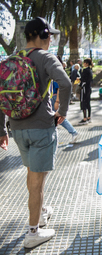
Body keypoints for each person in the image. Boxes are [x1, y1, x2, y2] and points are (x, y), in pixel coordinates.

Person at [0, 17, 71, 248]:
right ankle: (33, 232)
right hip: (41, 127)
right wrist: (62, 111)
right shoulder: (46, 57)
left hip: (18, 128)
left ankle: (39, 214)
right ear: (43, 36)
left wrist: (2, 129)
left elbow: (3, 95)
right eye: (49, 36)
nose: (50, 40)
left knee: (34, 176)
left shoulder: (11, 60)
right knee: (37, 182)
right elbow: (66, 83)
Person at [79, 58, 93, 125]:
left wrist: (79, 81)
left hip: (84, 88)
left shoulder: (84, 70)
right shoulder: (90, 70)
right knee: (88, 102)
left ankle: (84, 117)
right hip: (89, 88)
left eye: (84, 63)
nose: (83, 64)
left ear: (86, 63)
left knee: (83, 102)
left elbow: (83, 79)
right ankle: (89, 117)